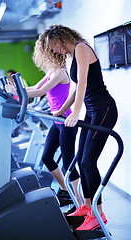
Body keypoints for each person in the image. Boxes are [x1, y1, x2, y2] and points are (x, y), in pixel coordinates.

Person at [36, 24, 118, 231]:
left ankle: (98, 215)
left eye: (54, 45)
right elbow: (75, 90)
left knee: (89, 162)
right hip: (92, 111)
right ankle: (87, 207)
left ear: (62, 38)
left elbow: (82, 83)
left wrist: (75, 113)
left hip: (103, 109)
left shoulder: (81, 48)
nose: (55, 50)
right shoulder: (74, 55)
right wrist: (63, 109)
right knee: (80, 161)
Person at [5, 42, 81, 205]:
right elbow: (35, 87)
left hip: (66, 122)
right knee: (47, 157)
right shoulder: (51, 71)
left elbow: (40, 92)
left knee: (69, 164)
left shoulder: (60, 73)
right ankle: (67, 191)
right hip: (57, 122)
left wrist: (16, 91)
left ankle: (80, 202)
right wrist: (17, 91)